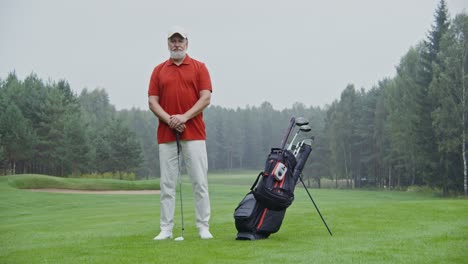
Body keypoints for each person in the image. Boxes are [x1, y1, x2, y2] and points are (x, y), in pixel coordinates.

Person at [148, 26, 213, 240]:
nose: (176, 44)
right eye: (173, 41)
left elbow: (205, 98)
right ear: (168, 43)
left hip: (194, 133)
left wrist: (183, 117)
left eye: (180, 40)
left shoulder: (199, 67)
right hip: (167, 135)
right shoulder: (159, 70)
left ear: (187, 43)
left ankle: (203, 226)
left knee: (199, 182)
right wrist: (170, 120)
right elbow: (152, 101)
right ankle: (166, 228)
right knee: (167, 184)